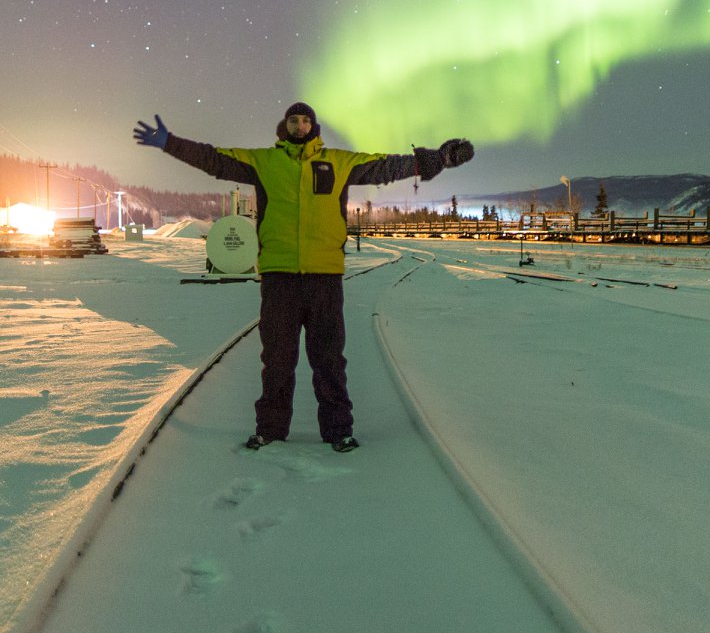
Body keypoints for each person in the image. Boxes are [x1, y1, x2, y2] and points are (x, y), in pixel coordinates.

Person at [133, 102, 473, 453]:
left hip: (324, 277)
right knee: (277, 357)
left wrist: (438, 159)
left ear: (314, 125)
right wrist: (170, 143)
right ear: (285, 125)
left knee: (329, 358)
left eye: (306, 119)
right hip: (280, 277)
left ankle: (338, 430)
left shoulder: (340, 162)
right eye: (294, 120)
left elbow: (387, 166)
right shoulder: (264, 161)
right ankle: (270, 430)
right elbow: (214, 160)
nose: (300, 124)